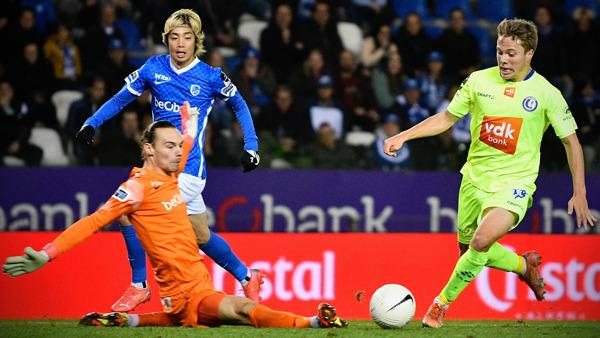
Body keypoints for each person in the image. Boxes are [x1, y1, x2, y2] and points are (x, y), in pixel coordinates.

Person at [2, 114, 347, 330]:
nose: (178, 152)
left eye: (177, 147)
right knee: (244, 309)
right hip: (186, 294)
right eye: (168, 147)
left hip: (194, 291)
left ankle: (132, 318)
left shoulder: (170, 172)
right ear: (149, 149)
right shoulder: (135, 189)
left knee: (206, 313)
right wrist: (47, 254)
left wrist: (189, 121)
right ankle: (315, 322)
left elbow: (186, 140)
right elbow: (92, 222)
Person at [383, 18, 597, 329]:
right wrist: (403, 135)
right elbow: (446, 118)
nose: (504, 59)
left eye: (511, 53)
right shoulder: (478, 81)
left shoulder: (547, 93)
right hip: (473, 180)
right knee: (468, 250)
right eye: (500, 52)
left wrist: (580, 192)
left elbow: (571, 143)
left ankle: (439, 306)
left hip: (515, 184)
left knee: (481, 241)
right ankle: (524, 266)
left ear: (529, 54)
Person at [74, 9, 263, 312]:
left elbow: (239, 104)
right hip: (161, 166)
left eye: (187, 37)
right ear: (166, 40)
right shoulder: (153, 68)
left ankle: (138, 285)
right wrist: (92, 122)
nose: (180, 43)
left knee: (129, 209)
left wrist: (251, 145)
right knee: (200, 234)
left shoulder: (211, 76)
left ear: (196, 41)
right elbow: (122, 97)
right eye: (174, 37)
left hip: (188, 169)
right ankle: (247, 276)